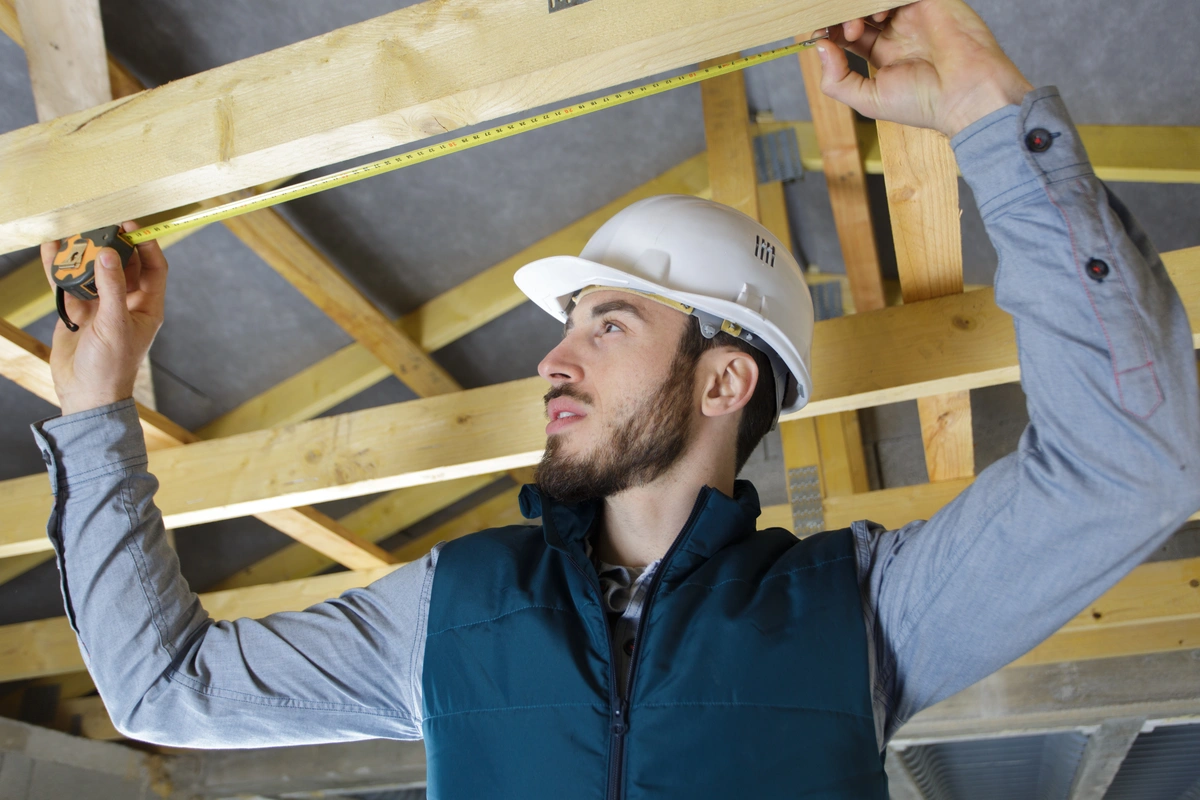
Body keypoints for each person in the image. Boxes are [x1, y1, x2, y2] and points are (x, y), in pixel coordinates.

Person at [31, 1, 1199, 797]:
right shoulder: (451, 611)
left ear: (724, 378)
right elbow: (162, 688)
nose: (553, 361)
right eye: (571, 326)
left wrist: (992, 114)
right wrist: (95, 410)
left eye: (610, 321)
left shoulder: (862, 612)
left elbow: (1132, 460)